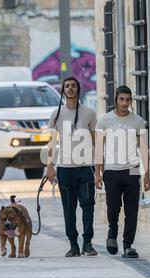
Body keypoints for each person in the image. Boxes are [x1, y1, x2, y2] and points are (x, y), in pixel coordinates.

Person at [95, 85, 150, 258]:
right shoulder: (104, 120)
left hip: (132, 170)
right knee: (113, 208)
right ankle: (112, 232)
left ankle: (128, 245)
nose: (125, 103)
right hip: (111, 170)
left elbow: (143, 148)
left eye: (128, 100)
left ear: (131, 101)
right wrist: (97, 172)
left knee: (132, 210)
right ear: (116, 100)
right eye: (122, 99)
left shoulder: (138, 121)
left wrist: (146, 174)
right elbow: (99, 147)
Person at [46, 77, 98, 257]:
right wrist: (50, 166)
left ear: (78, 89)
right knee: (68, 208)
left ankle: (88, 243)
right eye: (67, 86)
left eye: (73, 86)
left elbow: (96, 141)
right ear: (63, 90)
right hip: (65, 168)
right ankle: (73, 244)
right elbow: (51, 142)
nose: (70, 88)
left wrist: (99, 168)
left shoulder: (89, 113)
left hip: (86, 167)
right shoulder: (56, 114)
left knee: (88, 205)